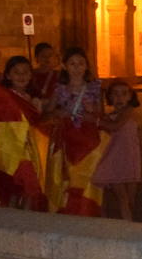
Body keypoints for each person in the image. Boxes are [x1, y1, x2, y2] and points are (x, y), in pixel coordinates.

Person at [46, 48, 108, 216]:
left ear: (86, 66)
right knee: (70, 173)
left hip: (88, 136)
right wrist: (60, 113)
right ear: (65, 66)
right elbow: (49, 112)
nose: (77, 67)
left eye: (81, 63)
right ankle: (71, 209)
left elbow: (101, 114)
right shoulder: (60, 90)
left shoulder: (94, 88)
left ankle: (90, 208)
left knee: (89, 173)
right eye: (72, 63)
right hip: (68, 136)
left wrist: (92, 110)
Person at [0, 56, 49, 211]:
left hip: (29, 151)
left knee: (29, 187)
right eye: (16, 72)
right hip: (11, 151)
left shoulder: (33, 99)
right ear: (8, 75)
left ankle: (24, 221)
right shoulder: (3, 97)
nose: (21, 76)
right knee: (14, 187)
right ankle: (12, 221)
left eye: (26, 72)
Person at [94, 80, 142, 220]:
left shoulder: (129, 111)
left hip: (129, 158)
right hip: (114, 159)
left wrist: (95, 120)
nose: (119, 98)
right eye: (115, 94)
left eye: (123, 94)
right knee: (122, 197)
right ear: (109, 97)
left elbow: (115, 126)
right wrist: (99, 94)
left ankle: (128, 222)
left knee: (130, 199)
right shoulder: (110, 116)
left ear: (130, 96)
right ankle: (125, 227)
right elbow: (102, 117)